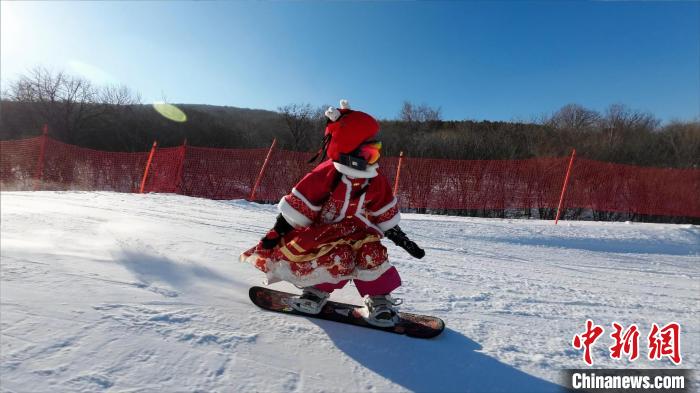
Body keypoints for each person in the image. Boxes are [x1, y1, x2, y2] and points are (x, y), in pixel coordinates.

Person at [241, 100, 424, 327]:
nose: (374, 158)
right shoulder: (326, 174)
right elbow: (299, 206)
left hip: (361, 233)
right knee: (329, 259)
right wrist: (276, 233)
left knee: (372, 255)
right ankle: (315, 293)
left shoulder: (375, 180)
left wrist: (402, 239)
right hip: (325, 233)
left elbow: (383, 212)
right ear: (349, 151)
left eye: (376, 151)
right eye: (368, 152)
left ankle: (379, 301)